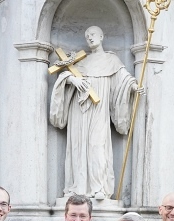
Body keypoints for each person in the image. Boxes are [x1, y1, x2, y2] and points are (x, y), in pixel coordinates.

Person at [49, 26, 143, 200]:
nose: (90, 38)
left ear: (101, 35)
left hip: (99, 111)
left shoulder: (111, 60)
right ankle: (77, 188)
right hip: (78, 111)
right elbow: (63, 75)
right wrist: (72, 80)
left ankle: (98, 188)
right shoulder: (79, 60)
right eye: (87, 36)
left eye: (93, 34)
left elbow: (123, 78)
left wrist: (134, 86)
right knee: (78, 147)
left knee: (97, 147)